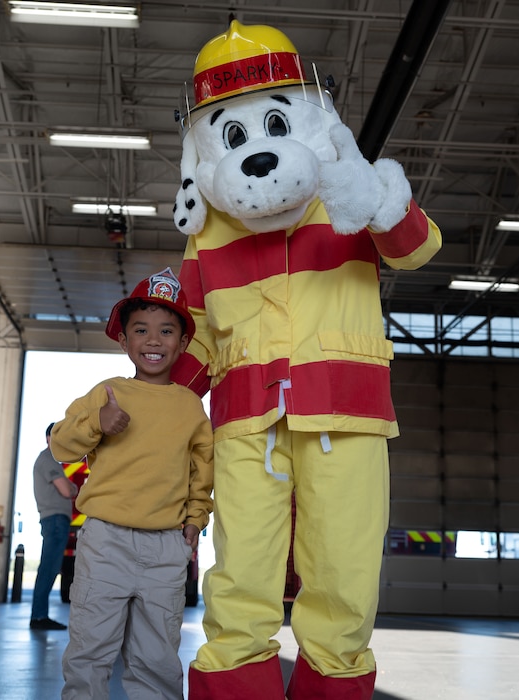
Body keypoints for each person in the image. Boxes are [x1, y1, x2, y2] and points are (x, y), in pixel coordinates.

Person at [169, 21, 442, 700]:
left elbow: (418, 248)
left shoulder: (348, 198)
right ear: (206, 142)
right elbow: (197, 330)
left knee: (342, 575)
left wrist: (375, 197)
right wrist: (160, 406)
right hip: (247, 422)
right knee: (239, 577)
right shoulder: (207, 231)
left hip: (345, 414)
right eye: (232, 132)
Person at [51, 267, 214, 700]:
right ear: (124, 341)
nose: (154, 340)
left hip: (166, 547)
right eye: (141, 330)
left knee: (157, 657)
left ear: (182, 344)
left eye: (166, 331)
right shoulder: (107, 393)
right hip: (105, 540)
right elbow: (61, 446)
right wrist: (96, 423)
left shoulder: (191, 407)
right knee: (91, 649)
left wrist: (196, 521)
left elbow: (202, 471)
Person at [30, 422, 78, 630]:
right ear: (49, 438)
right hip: (55, 520)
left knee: (49, 568)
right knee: (48, 569)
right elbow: (67, 491)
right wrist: (72, 487)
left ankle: (40, 615)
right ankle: (39, 617)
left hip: (56, 521)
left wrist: (70, 486)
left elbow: (68, 488)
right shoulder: (47, 459)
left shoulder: (52, 461)